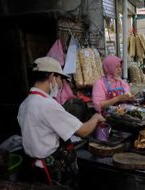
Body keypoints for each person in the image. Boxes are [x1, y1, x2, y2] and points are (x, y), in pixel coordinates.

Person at [17, 56, 105, 186]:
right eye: (61, 79)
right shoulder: (47, 105)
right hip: (50, 168)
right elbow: (83, 131)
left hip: (34, 166)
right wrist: (96, 117)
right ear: (52, 76)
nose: (60, 84)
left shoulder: (25, 103)